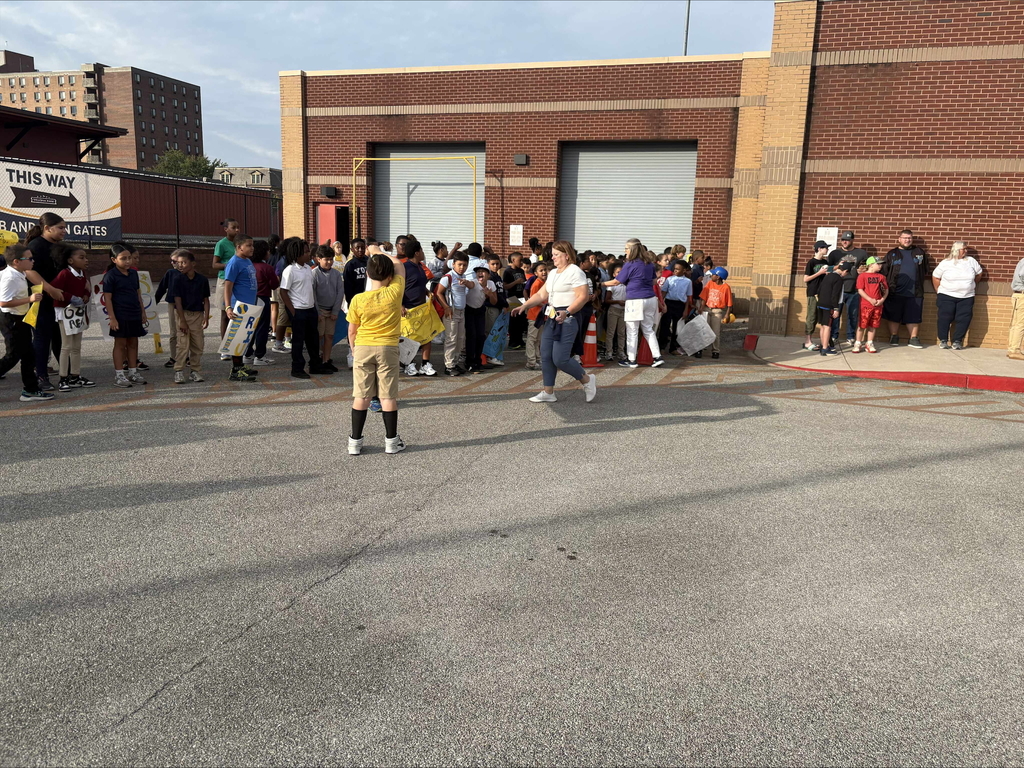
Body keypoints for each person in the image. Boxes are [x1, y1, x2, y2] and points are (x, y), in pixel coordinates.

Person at [511, 241, 597, 403]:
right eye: (553, 254)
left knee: (560, 358)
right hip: (551, 315)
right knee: (546, 355)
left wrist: (568, 311)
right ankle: (548, 392)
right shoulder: (554, 273)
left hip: (568, 317)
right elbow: (542, 295)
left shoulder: (575, 272)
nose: (553, 257)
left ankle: (586, 380)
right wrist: (525, 305)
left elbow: (583, 297)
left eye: (556, 254)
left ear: (567, 255)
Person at [346, 250, 407, 456]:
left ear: (368, 275)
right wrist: (378, 251)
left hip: (363, 346)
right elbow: (398, 263)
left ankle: (355, 442)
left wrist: (354, 349)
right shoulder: (394, 293)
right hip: (388, 347)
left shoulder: (358, 300)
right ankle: (391, 441)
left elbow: (352, 330)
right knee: (388, 396)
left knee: (361, 395)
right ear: (390, 277)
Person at [0, 244, 53, 401]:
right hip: (12, 319)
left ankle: (30, 389)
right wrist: (29, 299)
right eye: (29, 259)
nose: (33, 261)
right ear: (16, 261)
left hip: (20, 318)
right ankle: (30, 389)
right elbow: (3, 302)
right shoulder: (10, 277)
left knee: (29, 355)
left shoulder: (17, 273)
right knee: (12, 356)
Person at [24, 212, 67, 391]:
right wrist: (50, 289)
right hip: (40, 299)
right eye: (60, 228)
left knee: (60, 337)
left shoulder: (60, 246)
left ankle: (67, 374)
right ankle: (41, 375)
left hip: (58, 301)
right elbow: (30, 271)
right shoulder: (36, 246)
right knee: (42, 338)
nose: (64, 231)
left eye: (65, 227)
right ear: (47, 228)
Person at [605, 239, 663, 368]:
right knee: (648, 329)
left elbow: (616, 282)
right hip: (650, 299)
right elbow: (654, 282)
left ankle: (631, 360)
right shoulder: (649, 264)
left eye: (626, 248)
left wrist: (601, 284)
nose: (624, 251)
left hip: (635, 300)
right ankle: (657, 357)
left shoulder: (630, 264)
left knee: (632, 330)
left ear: (632, 250)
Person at [49, 243, 95, 391]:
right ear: (70, 261)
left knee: (77, 346)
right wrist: (71, 297)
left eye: (86, 257)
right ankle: (63, 377)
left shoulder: (82, 274)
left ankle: (75, 375)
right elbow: (54, 290)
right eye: (81, 257)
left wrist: (86, 296)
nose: (86, 260)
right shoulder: (64, 273)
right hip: (65, 312)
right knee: (66, 346)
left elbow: (86, 289)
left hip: (77, 313)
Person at [280, 239, 328, 379]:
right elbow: (283, 292)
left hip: (310, 308)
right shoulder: (290, 270)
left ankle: (315, 365)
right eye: (306, 252)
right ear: (297, 254)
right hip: (298, 310)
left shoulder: (308, 268)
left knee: (313, 339)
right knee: (298, 341)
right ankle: (297, 368)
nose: (309, 254)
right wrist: (293, 311)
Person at [103, 243, 148, 387]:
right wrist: (112, 318)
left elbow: (138, 294)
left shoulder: (134, 273)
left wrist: (142, 312)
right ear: (114, 259)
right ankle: (119, 375)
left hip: (134, 313)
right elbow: (107, 298)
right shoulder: (110, 276)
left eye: (129, 258)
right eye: (123, 258)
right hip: (120, 315)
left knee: (133, 343)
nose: (128, 261)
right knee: (120, 344)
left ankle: (133, 372)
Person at [880, 229, 930, 348]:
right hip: (894, 291)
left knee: (914, 315)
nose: (907, 240)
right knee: (893, 315)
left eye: (909, 238)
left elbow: (925, 268)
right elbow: (884, 271)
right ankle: (894, 336)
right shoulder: (892, 253)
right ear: (899, 239)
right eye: (905, 238)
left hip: (915, 292)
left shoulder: (919, 252)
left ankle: (913, 338)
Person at [222, 234, 261, 383]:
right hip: (239, 306)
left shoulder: (247, 260)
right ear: (239, 247)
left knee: (244, 338)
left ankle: (241, 366)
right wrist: (228, 307)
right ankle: (235, 370)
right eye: (249, 245)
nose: (252, 248)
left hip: (249, 306)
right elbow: (228, 286)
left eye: (252, 245)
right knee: (237, 338)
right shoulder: (234, 263)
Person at [932, 241, 983, 350]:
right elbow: (936, 277)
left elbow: (979, 274)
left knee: (964, 318)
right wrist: (939, 290)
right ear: (956, 250)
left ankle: (957, 341)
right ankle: (943, 340)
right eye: (963, 249)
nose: (965, 251)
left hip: (966, 297)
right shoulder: (946, 262)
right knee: (945, 318)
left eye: (966, 249)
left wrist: (971, 285)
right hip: (946, 295)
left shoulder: (971, 261)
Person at [169, 250, 210, 383]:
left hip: (197, 314)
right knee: (183, 344)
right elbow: (178, 301)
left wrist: (206, 316)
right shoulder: (178, 279)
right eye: (178, 263)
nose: (180, 265)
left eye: (183, 262)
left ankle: (195, 370)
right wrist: (182, 321)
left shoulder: (202, 280)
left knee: (198, 344)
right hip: (183, 314)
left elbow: (206, 299)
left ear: (193, 264)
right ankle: (179, 370)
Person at [827, 231, 869, 346]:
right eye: (843, 240)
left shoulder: (861, 253)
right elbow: (828, 269)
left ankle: (850, 337)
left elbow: (867, 267)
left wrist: (862, 270)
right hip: (837, 289)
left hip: (854, 289)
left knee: (852, 315)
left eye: (848, 240)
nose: (845, 242)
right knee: (835, 314)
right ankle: (833, 336)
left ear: (852, 240)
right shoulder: (835, 253)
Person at [435, 251, 472, 376]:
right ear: (453, 264)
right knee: (451, 338)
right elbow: (438, 292)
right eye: (460, 264)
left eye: (465, 265)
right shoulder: (448, 277)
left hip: (461, 311)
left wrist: (466, 283)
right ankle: (449, 366)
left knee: (460, 339)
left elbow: (471, 286)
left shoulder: (464, 277)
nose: (462, 268)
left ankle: (455, 363)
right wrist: (446, 307)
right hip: (452, 311)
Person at [312, 244, 344, 371]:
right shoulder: (314, 274)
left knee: (329, 336)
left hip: (332, 311)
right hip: (320, 311)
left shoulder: (336, 274)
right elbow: (313, 294)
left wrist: (335, 311)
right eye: (326, 259)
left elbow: (339, 292)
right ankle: (317, 358)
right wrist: (318, 312)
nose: (329, 262)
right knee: (319, 336)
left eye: (331, 259)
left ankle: (326, 360)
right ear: (318, 259)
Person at [212, 217, 239, 349]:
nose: (237, 230)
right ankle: (224, 345)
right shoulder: (221, 244)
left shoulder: (239, 243)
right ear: (226, 229)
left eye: (238, 227)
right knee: (225, 313)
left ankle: (234, 341)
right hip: (225, 279)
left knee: (236, 311)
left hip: (237, 281)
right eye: (233, 227)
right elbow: (214, 264)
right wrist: (228, 265)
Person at [464, 265, 497, 373]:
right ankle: (469, 362)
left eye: (483, 271)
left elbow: (494, 301)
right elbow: (470, 284)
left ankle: (478, 361)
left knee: (481, 336)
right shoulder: (474, 282)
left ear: (488, 274)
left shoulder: (491, 284)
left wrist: (490, 294)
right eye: (478, 271)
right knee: (471, 336)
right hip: (469, 310)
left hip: (480, 310)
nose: (480, 273)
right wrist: (464, 282)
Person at [696, 266, 733, 360]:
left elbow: (729, 302)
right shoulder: (709, 284)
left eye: (713, 274)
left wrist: (727, 314)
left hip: (717, 311)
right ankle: (699, 349)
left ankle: (715, 350)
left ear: (718, 277)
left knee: (715, 332)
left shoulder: (726, 287)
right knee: (703, 330)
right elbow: (704, 297)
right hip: (707, 309)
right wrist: (701, 307)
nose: (711, 276)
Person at [852, 257, 888, 354]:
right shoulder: (862, 276)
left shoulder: (881, 277)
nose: (880, 266)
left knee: (873, 325)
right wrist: (870, 299)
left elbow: (886, 290)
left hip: (877, 305)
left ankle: (869, 342)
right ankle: (858, 342)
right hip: (865, 304)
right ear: (871, 264)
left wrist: (882, 300)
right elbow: (860, 290)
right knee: (862, 324)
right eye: (878, 264)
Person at [342, 238, 369, 367]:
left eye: (362, 247)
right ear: (352, 249)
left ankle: (365, 353)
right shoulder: (350, 265)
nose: (360, 250)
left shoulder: (369, 262)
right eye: (357, 248)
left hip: (369, 302)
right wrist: (350, 302)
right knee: (353, 329)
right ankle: (351, 352)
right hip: (355, 301)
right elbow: (347, 286)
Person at [814, 262, 849, 356]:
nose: (846, 275)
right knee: (827, 327)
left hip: (821, 303)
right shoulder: (838, 279)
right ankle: (825, 348)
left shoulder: (828, 276)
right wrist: (836, 308)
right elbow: (835, 295)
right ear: (845, 271)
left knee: (823, 326)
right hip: (829, 305)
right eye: (847, 273)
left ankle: (823, 345)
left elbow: (819, 289)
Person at [155, 252, 183, 368]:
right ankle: (173, 357)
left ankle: (186, 356)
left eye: (174, 261)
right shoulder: (170, 273)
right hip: (173, 304)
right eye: (171, 261)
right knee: (174, 331)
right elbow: (162, 288)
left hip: (187, 305)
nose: (172, 263)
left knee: (187, 331)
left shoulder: (189, 274)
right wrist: (154, 302)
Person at [660, 260, 693, 356]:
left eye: (678, 269)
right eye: (674, 269)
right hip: (669, 303)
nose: (675, 271)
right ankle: (662, 347)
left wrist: (686, 310)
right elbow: (664, 292)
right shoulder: (669, 279)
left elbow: (688, 297)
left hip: (680, 305)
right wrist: (662, 304)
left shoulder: (688, 282)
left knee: (677, 328)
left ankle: (673, 348)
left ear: (684, 271)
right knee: (665, 326)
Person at [803, 241, 830, 351]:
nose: (827, 250)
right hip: (813, 293)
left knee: (822, 318)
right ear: (819, 249)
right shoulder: (811, 262)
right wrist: (820, 272)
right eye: (825, 248)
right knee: (811, 317)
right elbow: (806, 279)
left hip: (822, 293)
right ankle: (807, 342)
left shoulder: (825, 261)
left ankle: (823, 341)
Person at [524, 261, 549, 370]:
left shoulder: (544, 283)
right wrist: (546, 305)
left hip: (541, 315)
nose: (544, 272)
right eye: (541, 270)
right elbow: (534, 299)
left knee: (538, 339)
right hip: (534, 315)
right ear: (536, 273)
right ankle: (531, 361)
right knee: (532, 338)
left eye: (545, 270)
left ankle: (537, 358)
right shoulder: (537, 283)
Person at [486, 254, 509, 365]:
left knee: (496, 332)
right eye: (492, 264)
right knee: (491, 332)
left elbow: (502, 292)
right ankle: (489, 356)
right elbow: (496, 295)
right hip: (492, 307)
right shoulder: (490, 277)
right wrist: (504, 303)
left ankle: (492, 355)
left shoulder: (498, 276)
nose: (495, 266)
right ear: (488, 264)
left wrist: (505, 303)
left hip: (499, 307)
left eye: (497, 263)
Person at [603, 261, 626, 362]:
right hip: (614, 309)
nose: (620, 274)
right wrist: (617, 301)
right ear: (614, 274)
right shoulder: (611, 285)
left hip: (624, 310)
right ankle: (609, 352)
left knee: (621, 333)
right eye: (618, 272)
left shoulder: (626, 285)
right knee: (611, 332)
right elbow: (607, 300)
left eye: (622, 272)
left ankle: (621, 351)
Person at [1009, 255, 1024, 361]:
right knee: (1020, 325)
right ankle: (1015, 350)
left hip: (1018, 295)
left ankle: (1011, 349)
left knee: (1015, 324)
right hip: (1022, 295)